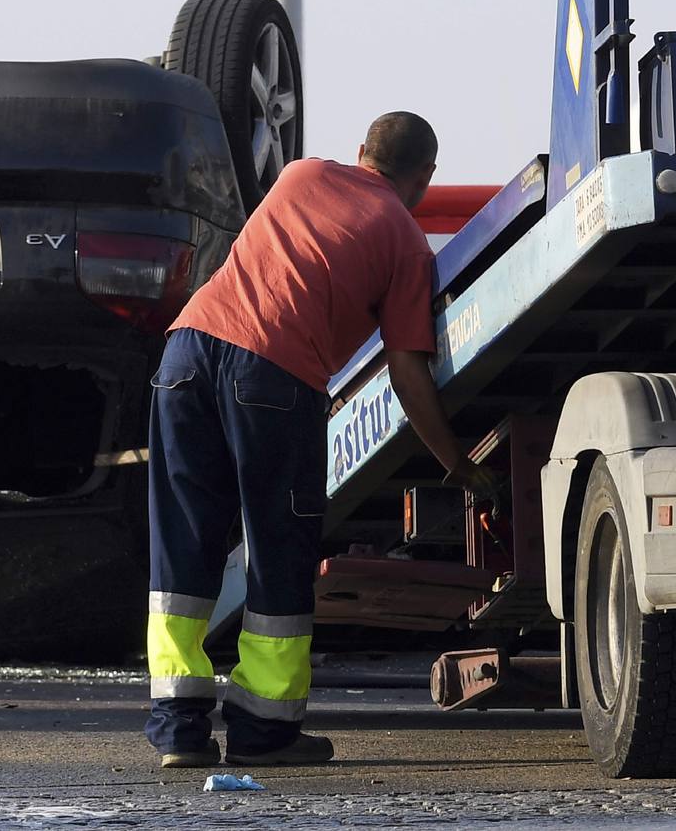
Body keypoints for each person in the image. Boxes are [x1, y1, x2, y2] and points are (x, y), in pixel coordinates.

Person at [144, 111, 497, 768]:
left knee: (184, 546)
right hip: (273, 375)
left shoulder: (299, 174)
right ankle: (263, 730)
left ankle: (179, 730)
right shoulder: (404, 238)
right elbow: (407, 370)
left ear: (361, 151)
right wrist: (454, 460)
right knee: (278, 546)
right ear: (425, 177)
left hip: (184, 355)